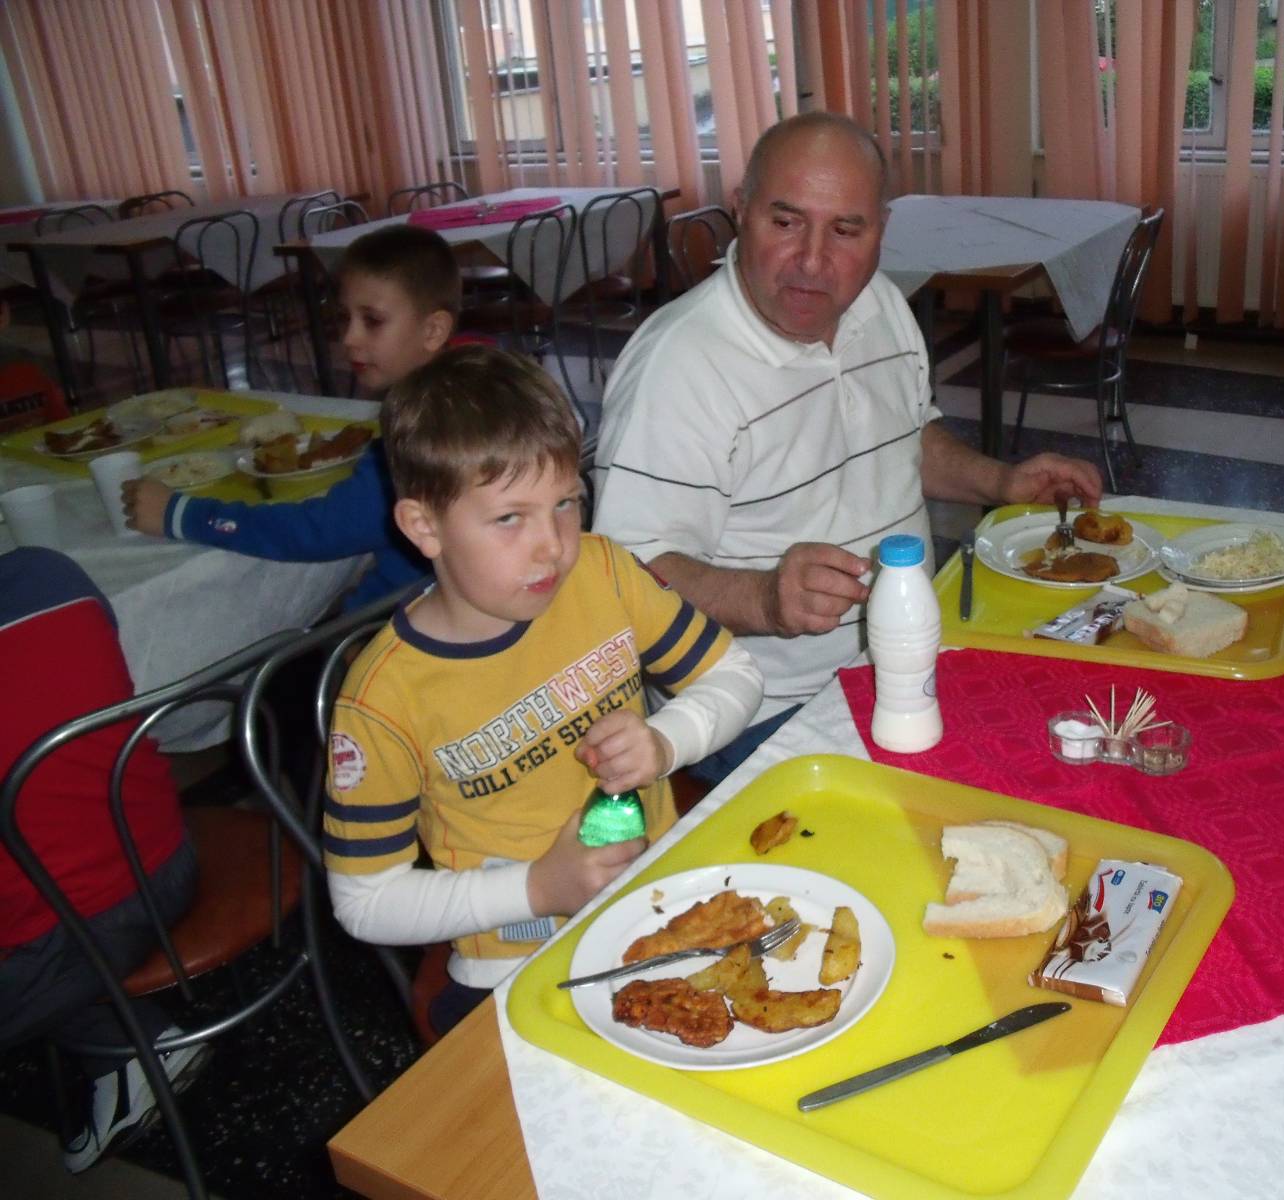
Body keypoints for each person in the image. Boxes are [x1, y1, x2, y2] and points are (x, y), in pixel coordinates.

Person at [593, 112, 1102, 783]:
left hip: (907, 658)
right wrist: (764, 599)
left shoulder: (879, 304)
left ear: (880, 232)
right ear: (741, 211)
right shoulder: (677, 366)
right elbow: (622, 578)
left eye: (845, 230)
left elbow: (905, 438)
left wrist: (1000, 483)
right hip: (759, 713)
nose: (811, 260)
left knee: (1075, 744)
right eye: (785, 221)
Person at [322, 345, 763, 1037]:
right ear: (424, 527)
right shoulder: (383, 699)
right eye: (510, 518)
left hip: (660, 902)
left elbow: (735, 676)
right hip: (515, 961)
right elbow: (365, 902)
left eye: (565, 504)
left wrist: (665, 741)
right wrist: (536, 888)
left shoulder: (603, 573)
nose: (553, 546)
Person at [120, 224, 462, 611]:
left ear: (433, 330)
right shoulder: (462, 399)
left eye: (372, 320)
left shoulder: (418, 441)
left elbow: (318, 531)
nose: (348, 338)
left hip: (402, 624)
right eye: (344, 318)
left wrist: (180, 514)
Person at [0, 547, 209, 1173]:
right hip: (166, 859)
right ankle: (129, 1047)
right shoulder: (48, 572)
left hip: (65, 932)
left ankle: (129, 1044)